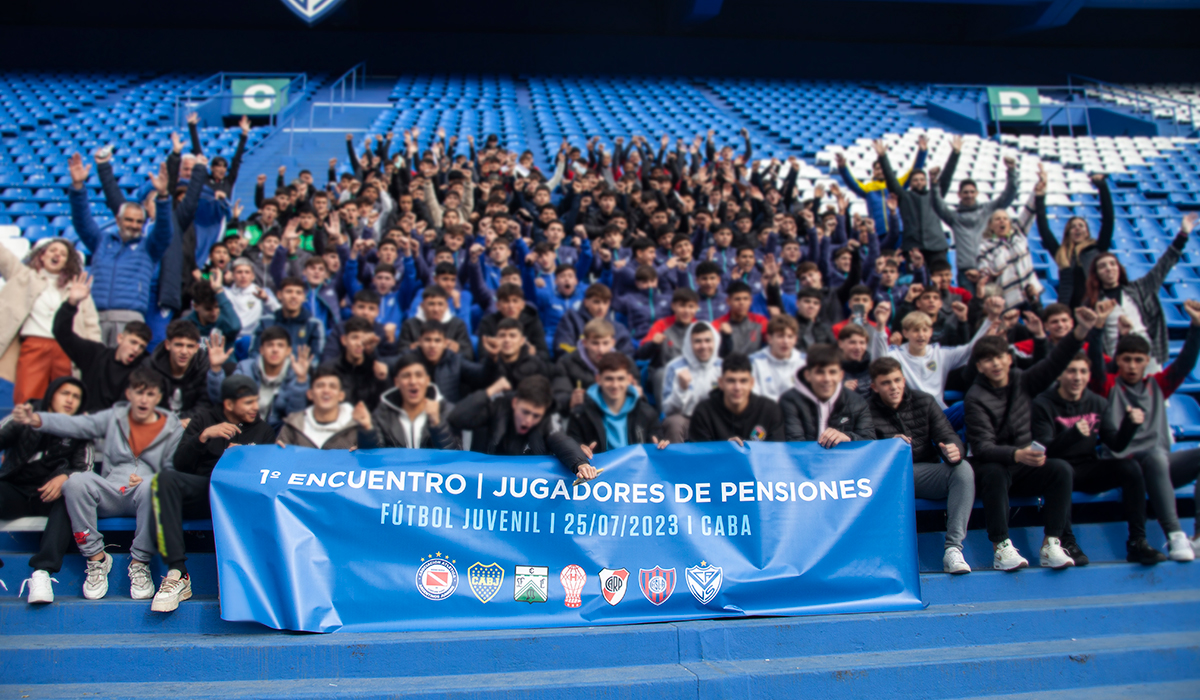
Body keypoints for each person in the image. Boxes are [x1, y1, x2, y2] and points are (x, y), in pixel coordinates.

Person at [8, 368, 183, 600]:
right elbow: (76, 425)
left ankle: (140, 563)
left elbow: (174, 467)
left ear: (158, 397)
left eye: (150, 394)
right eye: (139, 393)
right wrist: (39, 419)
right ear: (129, 394)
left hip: (145, 492)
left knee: (157, 487)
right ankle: (97, 559)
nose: (144, 399)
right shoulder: (114, 417)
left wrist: (150, 478)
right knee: (75, 481)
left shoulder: (171, 426)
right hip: (111, 489)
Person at [964, 305, 1099, 571]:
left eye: (999, 357)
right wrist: (1016, 454)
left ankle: (1052, 544)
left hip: (1022, 466)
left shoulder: (1023, 381)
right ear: (980, 366)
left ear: (1009, 359)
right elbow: (981, 447)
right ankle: (1001, 548)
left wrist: (1081, 330)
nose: (995, 363)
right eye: (988, 359)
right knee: (995, 471)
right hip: (994, 468)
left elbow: (1055, 362)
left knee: (1060, 468)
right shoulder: (974, 397)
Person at [151, 375, 276, 612]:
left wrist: (245, 460)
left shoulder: (263, 431)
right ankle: (178, 572)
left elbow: (267, 479)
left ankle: (239, 579)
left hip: (238, 498)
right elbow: (180, 465)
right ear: (229, 404)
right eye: (248, 402)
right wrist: (203, 437)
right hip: (204, 490)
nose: (255, 408)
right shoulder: (205, 420)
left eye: (256, 401)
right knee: (165, 480)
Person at [1030, 353, 1164, 566]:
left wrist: (1130, 425)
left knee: (1130, 468)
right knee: (1061, 470)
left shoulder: (1097, 402)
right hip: (1055, 468)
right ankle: (1067, 543)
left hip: (1087, 467)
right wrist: (1072, 434)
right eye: (1071, 371)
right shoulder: (1042, 403)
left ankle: (1137, 542)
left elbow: (1116, 444)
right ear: (1060, 375)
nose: (1077, 377)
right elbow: (1043, 448)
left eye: (1083, 372)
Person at [1092, 298, 1200, 562]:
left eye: (1138, 360)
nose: (1131, 365)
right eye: (1126, 359)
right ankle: (1175, 536)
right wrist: (1098, 327)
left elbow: (1184, 363)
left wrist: (1196, 326)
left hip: (1159, 467)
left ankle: (1197, 538)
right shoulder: (1108, 386)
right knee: (1154, 456)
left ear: (1146, 362)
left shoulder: (1158, 385)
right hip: (1123, 467)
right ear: (1118, 360)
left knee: (1168, 457)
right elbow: (1095, 364)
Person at [867, 357, 974, 574]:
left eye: (897, 380)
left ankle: (953, 549)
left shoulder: (924, 401)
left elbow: (948, 435)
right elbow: (862, 450)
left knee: (962, 469)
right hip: (884, 478)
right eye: (886, 383)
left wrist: (954, 450)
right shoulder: (863, 408)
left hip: (921, 471)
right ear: (874, 387)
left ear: (904, 380)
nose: (894, 387)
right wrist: (886, 447)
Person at [67, 153, 174, 345]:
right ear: (118, 220)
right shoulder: (101, 241)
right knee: (92, 371)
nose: (134, 225)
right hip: (94, 316)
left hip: (129, 319)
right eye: (129, 220)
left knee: (122, 372)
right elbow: (82, 221)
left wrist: (164, 197)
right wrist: (77, 187)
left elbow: (165, 231)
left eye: (139, 222)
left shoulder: (149, 247)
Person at [1, 377, 90, 604]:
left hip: (50, 497)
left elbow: (85, 469)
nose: (70, 400)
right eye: (65, 393)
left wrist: (65, 476)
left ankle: (42, 574)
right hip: (16, 491)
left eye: (76, 397)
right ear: (51, 395)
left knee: (73, 493)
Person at [1084, 213, 1197, 372]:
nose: (1109, 268)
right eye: (1103, 266)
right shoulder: (1092, 303)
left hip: (1147, 355)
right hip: (1115, 361)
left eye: (1112, 264)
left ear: (1119, 268)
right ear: (1096, 273)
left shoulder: (1139, 288)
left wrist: (1183, 234)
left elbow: (1164, 265)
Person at [0, 237, 97, 405]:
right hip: (34, 346)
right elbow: (4, 257)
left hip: (66, 350)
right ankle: (26, 431)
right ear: (42, 256)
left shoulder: (76, 286)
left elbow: (90, 324)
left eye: (63, 254)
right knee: (27, 398)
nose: (57, 255)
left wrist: (93, 354)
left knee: (64, 400)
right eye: (52, 251)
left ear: (67, 261)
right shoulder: (23, 276)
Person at [447, 375, 597, 480]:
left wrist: (580, 463)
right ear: (514, 403)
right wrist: (489, 392)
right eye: (525, 412)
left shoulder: (547, 420)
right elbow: (456, 418)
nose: (528, 420)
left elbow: (561, 440)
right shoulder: (496, 409)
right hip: (490, 486)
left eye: (536, 415)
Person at [869, 297, 1001, 409]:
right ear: (905, 333)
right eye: (915, 330)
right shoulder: (896, 354)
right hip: (911, 413)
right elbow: (879, 362)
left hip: (940, 414)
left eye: (925, 330)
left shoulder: (941, 354)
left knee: (968, 407)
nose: (921, 335)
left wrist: (990, 318)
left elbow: (971, 350)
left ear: (931, 332)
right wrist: (880, 325)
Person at [52, 273, 152, 413]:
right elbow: (62, 333)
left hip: (115, 427)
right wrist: (72, 303)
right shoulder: (96, 354)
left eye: (141, 347)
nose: (136, 349)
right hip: (83, 422)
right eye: (133, 342)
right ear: (120, 338)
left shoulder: (142, 372)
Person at [929, 155, 1018, 290]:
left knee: (990, 308)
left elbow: (1008, 196)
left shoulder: (988, 210)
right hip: (966, 273)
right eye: (965, 192)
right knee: (969, 309)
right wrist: (934, 184)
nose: (969, 195)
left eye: (972, 192)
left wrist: (1011, 171)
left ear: (977, 193)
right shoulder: (954, 217)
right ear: (959, 195)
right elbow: (937, 205)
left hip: (988, 270)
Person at [206, 325, 310, 431]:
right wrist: (216, 368)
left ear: (288, 351)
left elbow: (295, 416)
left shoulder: (295, 373)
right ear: (261, 349)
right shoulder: (245, 369)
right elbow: (222, 400)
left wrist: (301, 380)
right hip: (243, 430)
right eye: (270, 345)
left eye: (280, 345)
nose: (275, 350)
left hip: (277, 435)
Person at [1036, 170, 1113, 309]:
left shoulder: (1098, 249)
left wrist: (1102, 187)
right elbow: (1044, 230)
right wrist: (1040, 198)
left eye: (1081, 226)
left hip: (1095, 307)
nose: (1077, 229)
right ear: (1068, 233)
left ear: (1087, 231)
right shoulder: (1062, 254)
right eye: (1073, 227)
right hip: (1068, 310)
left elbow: (1108, 220)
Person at [875, 137, 960, 264]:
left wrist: (955, 154)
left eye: (922, 179)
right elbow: (891, 180)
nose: (919, 182)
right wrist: (883, 157)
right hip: (913, 247)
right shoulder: (904, 197)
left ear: (926, 181)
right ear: (910, 183)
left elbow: (947, 176)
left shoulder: (935, 195)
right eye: (915, 180)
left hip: (937, 247)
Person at [566, 352, 668, 453]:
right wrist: (579, 450)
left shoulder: (647, 413)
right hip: (597, 468)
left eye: (620, 379)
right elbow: (571, 446)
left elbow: (657, 444)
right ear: (598, 379)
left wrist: (661, 445)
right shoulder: (580, 414)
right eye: (609, 379)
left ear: (629, 380)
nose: (615, 385)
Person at [779, 344, 876, 445]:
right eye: (820, 372)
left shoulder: (857, 402)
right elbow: (794, 444)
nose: (827, 379)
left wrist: (848, 437)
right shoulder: (790, 401)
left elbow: (870, 441)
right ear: (808, 375)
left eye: (832, 372)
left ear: (840, 375)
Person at [688, 352, 785, 444]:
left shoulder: (769, 410)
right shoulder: (704, 412)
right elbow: (699, 456)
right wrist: (727, 449)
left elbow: (777, 454)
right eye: (731, 381)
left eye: (743, 381)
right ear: (721, 383)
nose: (737, 388)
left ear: (752, 383)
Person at [369, 353, 460, 449]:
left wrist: (437, 425)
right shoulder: (382, 413)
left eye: (418, 375)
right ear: (396, 382)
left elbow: (455, 454)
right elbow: (374, 454)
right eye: (406, 376)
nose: (413, 381)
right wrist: (366, 434)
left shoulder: (447, 411)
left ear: (427, 380)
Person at [277, 367, 376, 449]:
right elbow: (279, 464)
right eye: (320, 386)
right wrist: (278, 452)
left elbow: (373, 463)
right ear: (310, 394)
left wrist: (366, 437)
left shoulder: (357, 428)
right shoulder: (292, 426)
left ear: (341, 395)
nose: (326, 390)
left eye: (332, 386)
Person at [661, 322, 723, 444]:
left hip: (716, 421)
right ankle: (677, 461)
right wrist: (681, 389)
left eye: (708, 340)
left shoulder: (723, 367)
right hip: (687, 420)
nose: (703, 346)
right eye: (698, 341)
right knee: (674, 423)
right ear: (689, 344)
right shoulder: (674, 367)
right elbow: (668, 410)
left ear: (715, 341)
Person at [975, 209, 1042, 310]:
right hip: (1008, 298)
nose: (1002, 221)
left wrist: (1037, 195)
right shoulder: (984, 247)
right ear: (990, 225)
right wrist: (986, 273)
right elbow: (983, 268)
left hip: (1031, 292)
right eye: (997, 219)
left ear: (1010, 223)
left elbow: (1029, 211)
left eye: (1005, 218)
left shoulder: (1019, 233)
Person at [144, 320, 211, 420]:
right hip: (158, 423)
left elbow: (206, 404)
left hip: (190, 425)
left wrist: (186, 420)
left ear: (197, 348)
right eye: (179, 345)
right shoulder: (150, 366)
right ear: (167, 345)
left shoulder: (204, 366)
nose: (184, 351)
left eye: (190, 346)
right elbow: (144, 402)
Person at [552, 318, 617, 416]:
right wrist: (569, 401)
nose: (601, 349)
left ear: (613, 342)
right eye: (595, 343)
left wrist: (637, 395)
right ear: (585, 343)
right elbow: (558, 397)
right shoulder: (566, 363)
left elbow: (641, 400)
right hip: (580, 418)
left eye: (605, 343)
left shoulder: (624, 364)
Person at [552, 283, 634, 359]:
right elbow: (562, 348)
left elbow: (627, 356)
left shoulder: (619, 328)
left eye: (605, 302)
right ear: (586, 302)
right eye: (596, 302)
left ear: (609, 304)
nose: (601, 307)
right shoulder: (571, 320)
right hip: (577, 370)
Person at [324, 316, 389, 411]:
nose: (359, 343)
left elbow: (384, 408)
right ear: (344, 340)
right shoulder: (329, 369)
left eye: (364, 339)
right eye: (354, 338)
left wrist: (382, 381)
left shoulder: (377, 371)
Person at [750, 315, 806, 402]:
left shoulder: (804, 362)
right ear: (769, 338)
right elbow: (753, 396)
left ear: (795, 339)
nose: (785, 341)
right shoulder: (754, 362)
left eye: (790, 336)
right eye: (780, 336)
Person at [181, 272, 242, 349]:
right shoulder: (185, 325)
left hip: (225, 361)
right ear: (195, 306)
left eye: (217, 307)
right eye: (208, 309)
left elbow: (235, 327)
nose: (214, 313)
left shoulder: (225, 322)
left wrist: (219, 291)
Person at [715, 281, 768, 357]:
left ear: (751, 300)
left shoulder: (761, 321)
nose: (742, 303)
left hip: (755, 365)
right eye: (737, 299)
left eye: (745, 299)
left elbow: (772, 342)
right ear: (728, 301)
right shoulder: (718, 324)